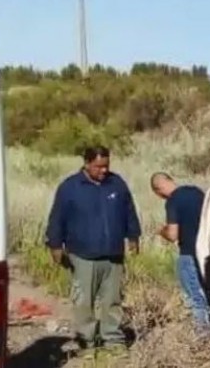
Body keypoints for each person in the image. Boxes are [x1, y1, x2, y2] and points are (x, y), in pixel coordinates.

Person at [44, 145, 141, 358]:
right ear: (87, 163)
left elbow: (129, 211)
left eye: (106, 166)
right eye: (99, 166)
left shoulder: (117, 184)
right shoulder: (70, 187)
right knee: (83, 301)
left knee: (112, 300)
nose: (103, 170)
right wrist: (54, 245)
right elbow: (57, 218)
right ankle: (86, 340)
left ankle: (112, 339)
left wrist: (133, 236)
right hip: (82, 254)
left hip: (114, 254)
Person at [150, 172, 210, 336]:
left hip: (188, 253)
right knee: (209, 293)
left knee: (194, 297)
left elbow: (173, 235)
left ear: (158, 190)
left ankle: (203, 334)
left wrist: (161, 231)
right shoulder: (197, 192)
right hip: (207, 252)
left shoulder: (173, 201)